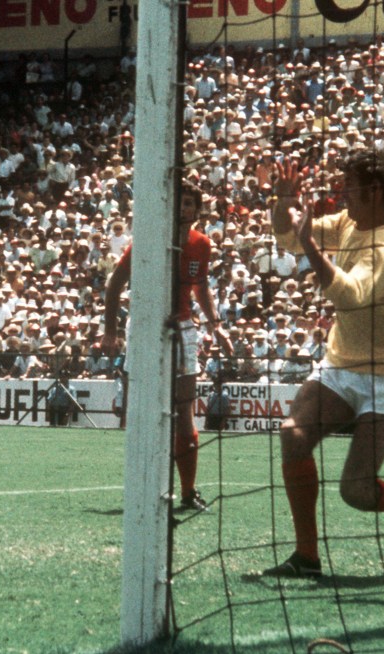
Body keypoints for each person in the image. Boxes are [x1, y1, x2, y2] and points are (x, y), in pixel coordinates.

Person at [262, 155, 384, 578]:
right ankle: (307, 557)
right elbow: (289, 238)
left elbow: (351, 294)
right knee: (293, 435)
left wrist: (310, 244)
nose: (342, 194)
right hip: (340, 364)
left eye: (349, 187)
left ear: (374, 192)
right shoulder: (350, 223)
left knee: (355, 491)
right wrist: (283, 200)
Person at [102, 180, 230, 512]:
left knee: (184, 411)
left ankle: (187, 492)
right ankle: (142, 486)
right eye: (180, 202)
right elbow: (115, 284)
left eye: (191, 203)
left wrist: (216, 325)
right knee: (139, 408)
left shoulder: (202, 244)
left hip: (183, 328)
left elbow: (200, 287)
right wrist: (110, 332)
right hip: (144, 328)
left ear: (197, 211)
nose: (185, 208)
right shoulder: (147, 239)